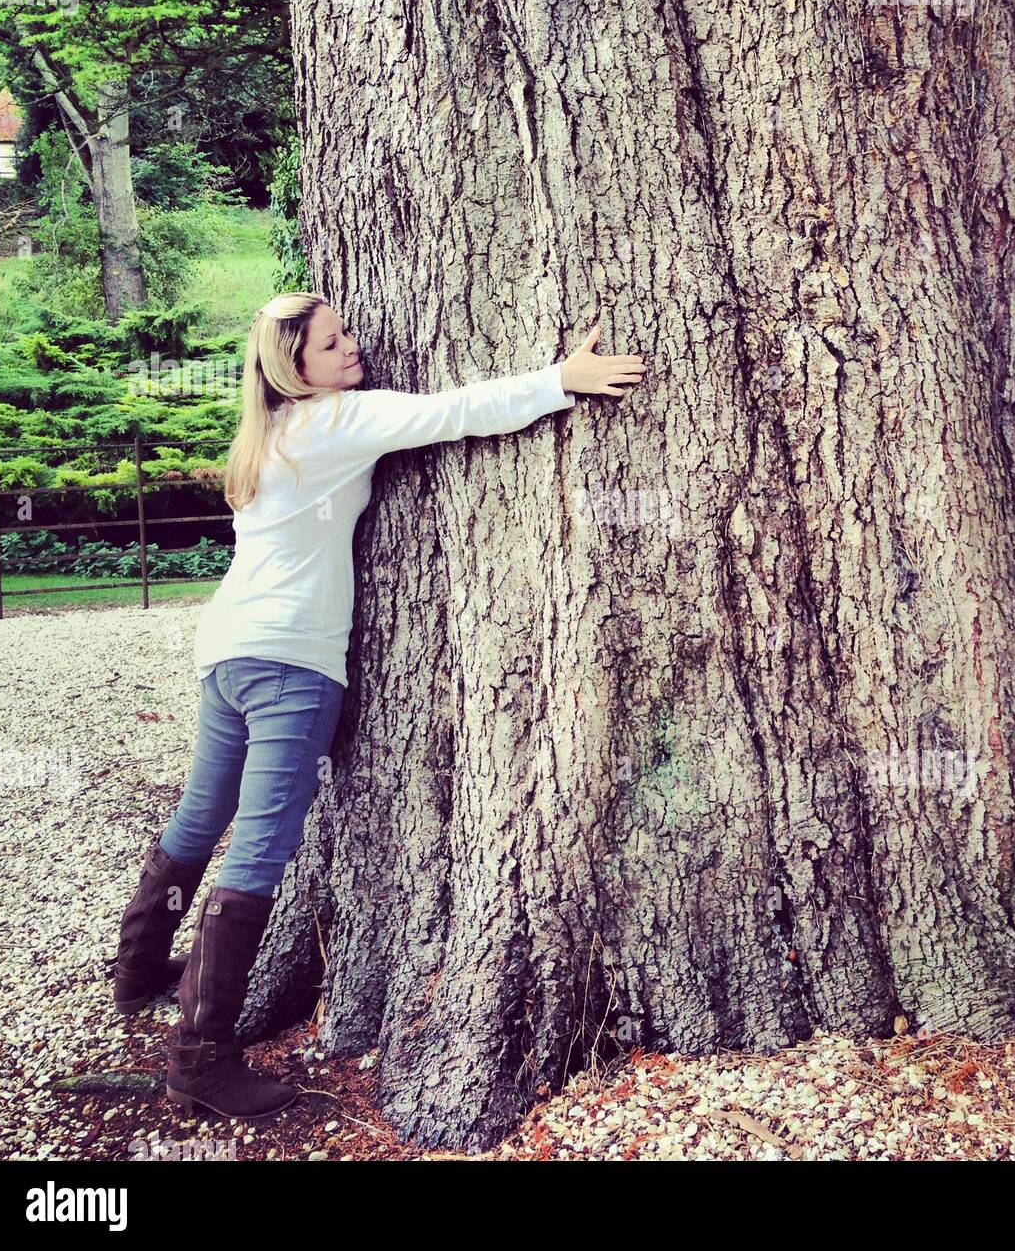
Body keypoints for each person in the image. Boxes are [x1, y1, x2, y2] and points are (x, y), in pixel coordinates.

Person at [109, 292, 645, 1120]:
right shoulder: (338, 422)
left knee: (199, 817)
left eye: (346, 334)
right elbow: (455, 413)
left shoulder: (267, 436)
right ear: (297, 367)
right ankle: (200, 1060)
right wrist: (560, 380)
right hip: (288, 661)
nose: (352, 347)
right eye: (333, 342)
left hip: (225, 652)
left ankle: (139, 968)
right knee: (258, 852)